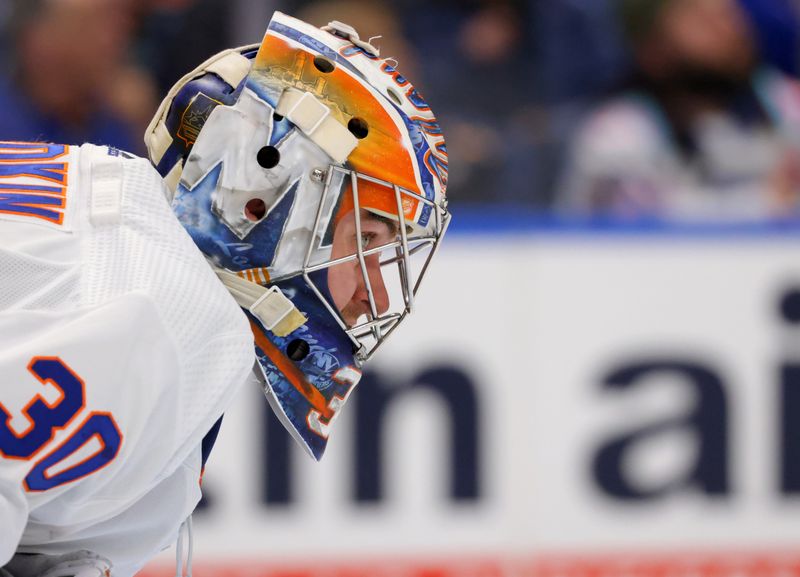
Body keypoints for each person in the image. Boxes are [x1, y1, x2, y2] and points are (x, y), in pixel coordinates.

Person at [0, 11, 449, 577]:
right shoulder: (165, 316)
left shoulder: (111, 217)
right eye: (364, 238)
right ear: (257, 201)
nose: (376, 297)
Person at [557, 0, 800, 221]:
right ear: (653, 48)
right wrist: (764, 200)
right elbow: (641, 234)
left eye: (730, 17)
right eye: (703, 22)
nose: (731, 32)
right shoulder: (618, 132)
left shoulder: (782, 102)